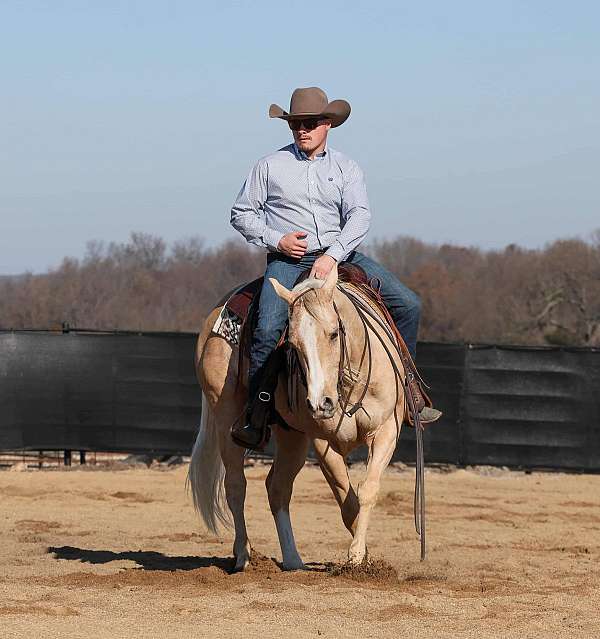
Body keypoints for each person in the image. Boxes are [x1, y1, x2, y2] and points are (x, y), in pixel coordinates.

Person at [229, 87, 440, 449]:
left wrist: (335, 253)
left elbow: (360, 215)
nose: (301, 130)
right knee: (267, 326)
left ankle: (409, 393)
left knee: (408, 304)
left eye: (309, 123)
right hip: (289, 259)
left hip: (339, 254)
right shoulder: (269, 166)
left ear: (327, 124)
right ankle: (258, 412)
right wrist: (276, 240)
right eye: (295, 124)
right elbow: (241, 213)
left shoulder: (346, 167)